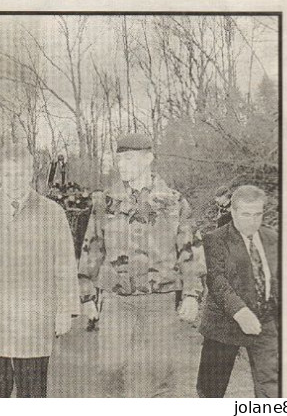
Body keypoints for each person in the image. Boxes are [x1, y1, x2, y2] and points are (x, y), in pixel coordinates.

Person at [75, 132, 202, 397]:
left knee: (159, 375)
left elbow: (190, 251)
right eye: (119, 159)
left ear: (148, 159)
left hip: (160, 300)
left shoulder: (174, 202)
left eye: (129, 159)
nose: (122, 165)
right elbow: (92, 248)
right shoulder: (106, 203)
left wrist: (191, 295)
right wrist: (87, 297)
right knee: (110, 369)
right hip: (117, 301)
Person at [0, 141, 79, 397]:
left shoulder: (52, 214)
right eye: (8, 174)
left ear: (30, 173)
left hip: (33, 321)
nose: (14, 180)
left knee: (32, 394)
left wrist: (65, 311)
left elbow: (65, 264)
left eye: (20, 173)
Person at [197, 185, 279, 398]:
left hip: (266, 319)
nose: (252, 221)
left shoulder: (273, 238)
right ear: (232, 212)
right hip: (224, 322)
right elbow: (217, 281)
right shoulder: (215, 239)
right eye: (245, 214)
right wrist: (240, 312)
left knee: (271, 385)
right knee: (211, 390)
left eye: (257, 214)